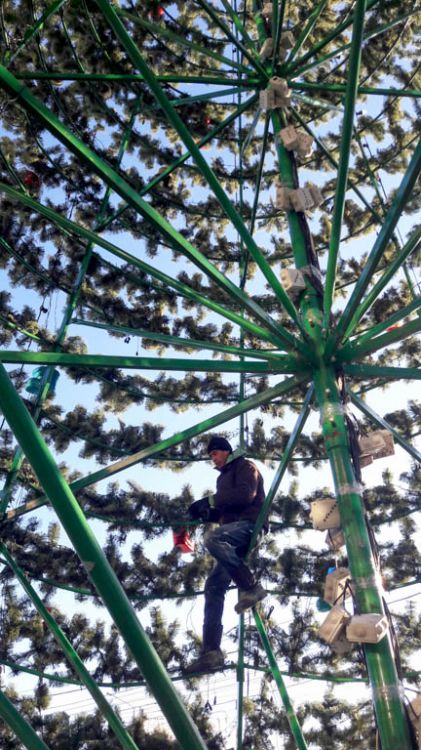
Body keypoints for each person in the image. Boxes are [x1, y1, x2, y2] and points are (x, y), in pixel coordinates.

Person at [184, 436, 267, 674]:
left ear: (225, 451)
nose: (213, 459)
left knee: (213, 538)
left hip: (250, 526)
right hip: (233, 532)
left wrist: (209, 500)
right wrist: (205, 513)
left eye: (215, 454)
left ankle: (251, 586)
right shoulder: (222, 479)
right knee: (213, 586)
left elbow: (245, 495)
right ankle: (211, 652)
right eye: (211, 456)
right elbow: (225, 511)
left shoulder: (245, 466)